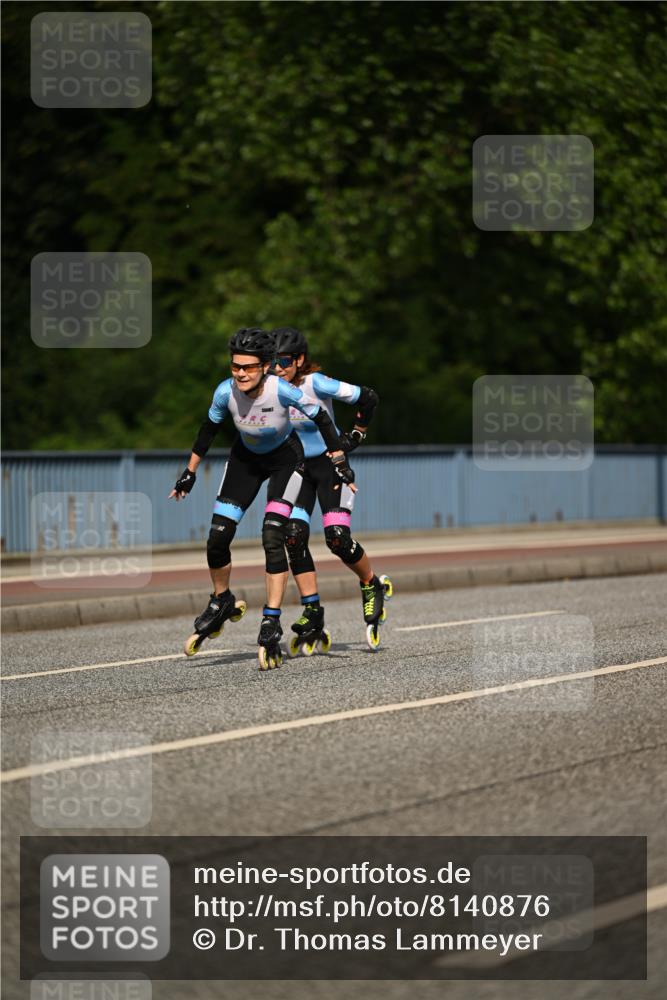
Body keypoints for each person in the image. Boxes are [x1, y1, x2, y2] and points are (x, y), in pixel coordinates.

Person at [169, 327, 354, 670]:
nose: (240, 373)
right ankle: (221, 600)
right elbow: (208, 431)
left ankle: (271, 618)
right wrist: (190, 472)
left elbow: (321, 417)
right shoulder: (224, 392)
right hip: (246, 461)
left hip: (286, 461)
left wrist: (339, 459)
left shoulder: (281, 390)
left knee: (272, 535)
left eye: (248, 367)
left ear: (265, 366)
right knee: (217, 537)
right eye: (235, 366)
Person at [271, 326, 392, 653]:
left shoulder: (316, 383)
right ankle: (312, 610)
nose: (277, 368)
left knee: (336, 538)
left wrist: (357, 434)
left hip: (329, 466)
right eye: (272, 361)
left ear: (299, 359)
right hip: (298, 469)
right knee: (292, 536)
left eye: (284, 361)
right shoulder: (270, 389)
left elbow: (368, 397)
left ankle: (371, 583)